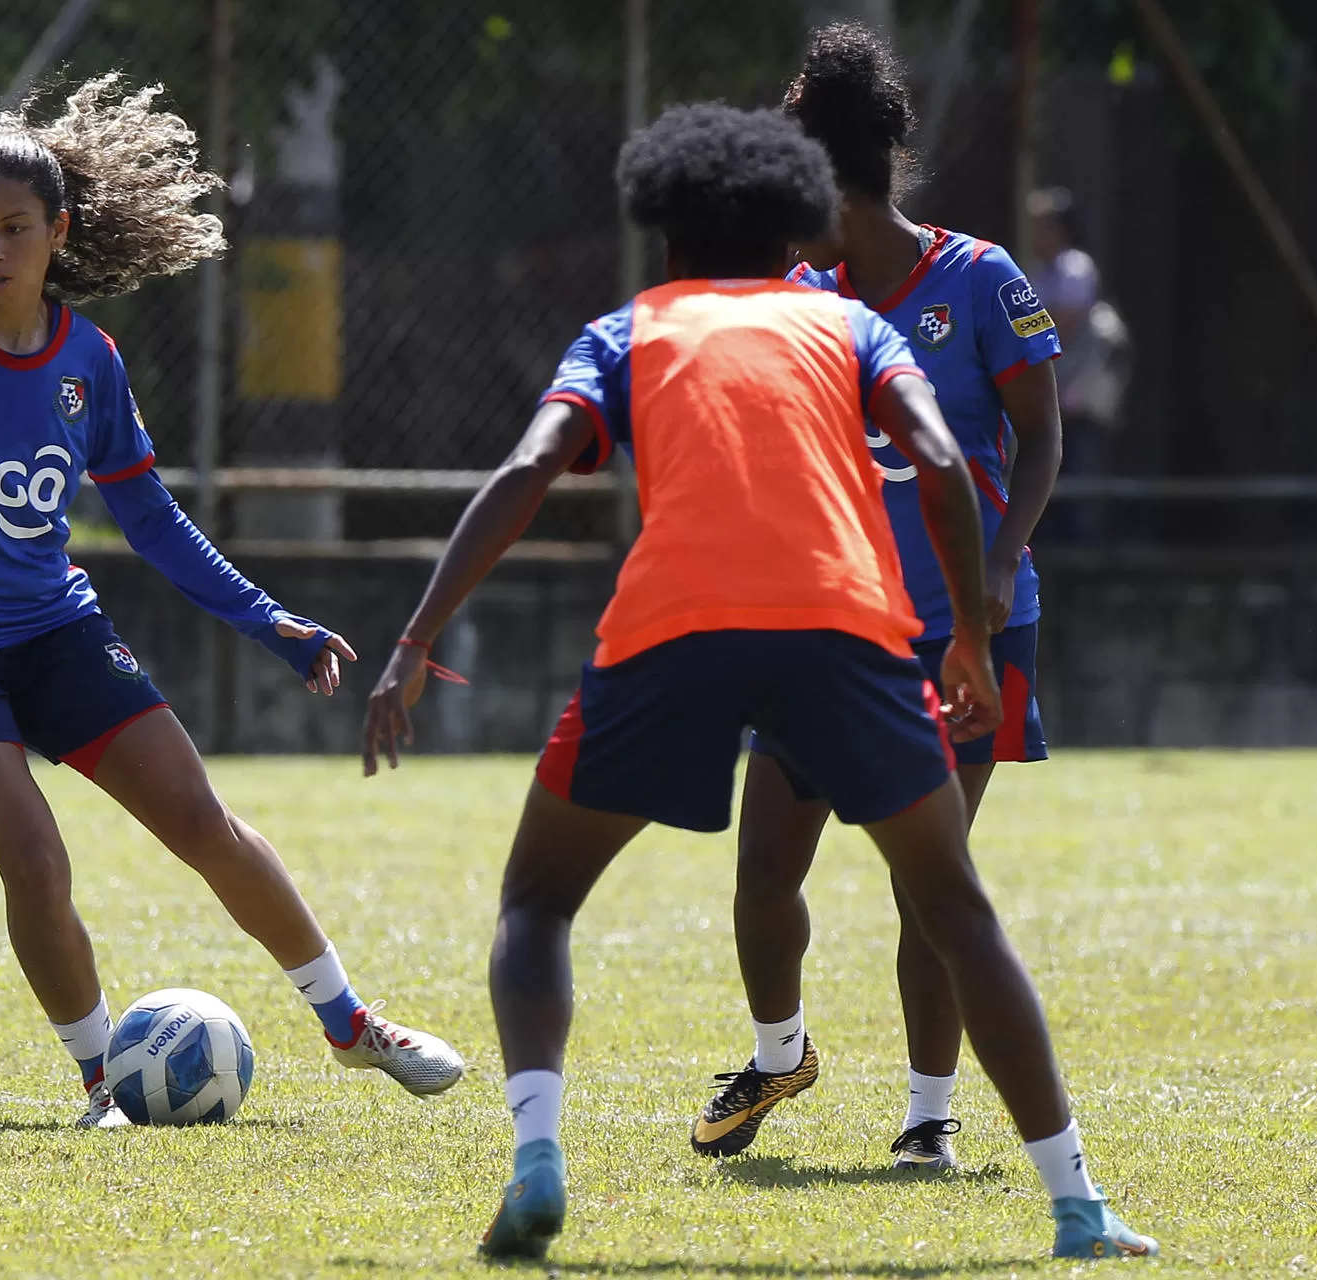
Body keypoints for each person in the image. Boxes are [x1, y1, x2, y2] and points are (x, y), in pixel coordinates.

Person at [361, 102, 1155, 1261]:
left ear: (667, 242)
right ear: (794, 225)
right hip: (847, 626)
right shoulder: (843, 322)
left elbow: (529, 466)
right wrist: (973, 638)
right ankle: (1077, 1204)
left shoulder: (628, 328)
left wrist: (417, 635)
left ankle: (537, 1155)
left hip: (670, 627)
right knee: (953, 904)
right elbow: (939, 458)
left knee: (537, 901)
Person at [0, 75, 463, 1128]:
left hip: (55, 627)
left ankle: (351, 1025)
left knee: (202, 818)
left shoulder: (89, 361)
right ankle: (100, 1084)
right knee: (34, 853)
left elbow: (153, 521)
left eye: (15, 229)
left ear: (57, 230)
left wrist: (271, 619)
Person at [704, 21, 1065, 1178]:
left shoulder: (978, 278)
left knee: (930, 886)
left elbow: (1043, 429)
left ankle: (928, 1115)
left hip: (967, 634)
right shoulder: (799, 297)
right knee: (764, 874)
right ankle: (780, 1053)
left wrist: (1000, 559)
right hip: (826, 637)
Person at [1028, 186, 1130, 496]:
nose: (1035, 234)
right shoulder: (1038, 271)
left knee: (1079, 463)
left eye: (1042, 226)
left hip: (1078, 382)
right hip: (1053, 381)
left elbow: (1063, 324)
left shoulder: (1074, 266)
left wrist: (1029, 325)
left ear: (1060, 229)